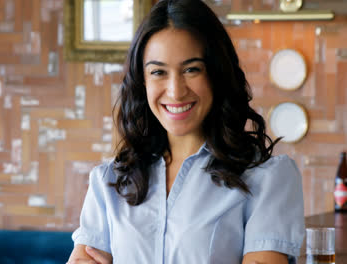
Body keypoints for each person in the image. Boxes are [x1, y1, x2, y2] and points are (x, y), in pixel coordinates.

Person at [67, 0, 305, 263]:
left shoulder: (267, 179)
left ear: (217, 74)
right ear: (142, 82)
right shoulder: (108, 183)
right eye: (158, 72)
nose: (176, 91)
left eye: (192, 69)